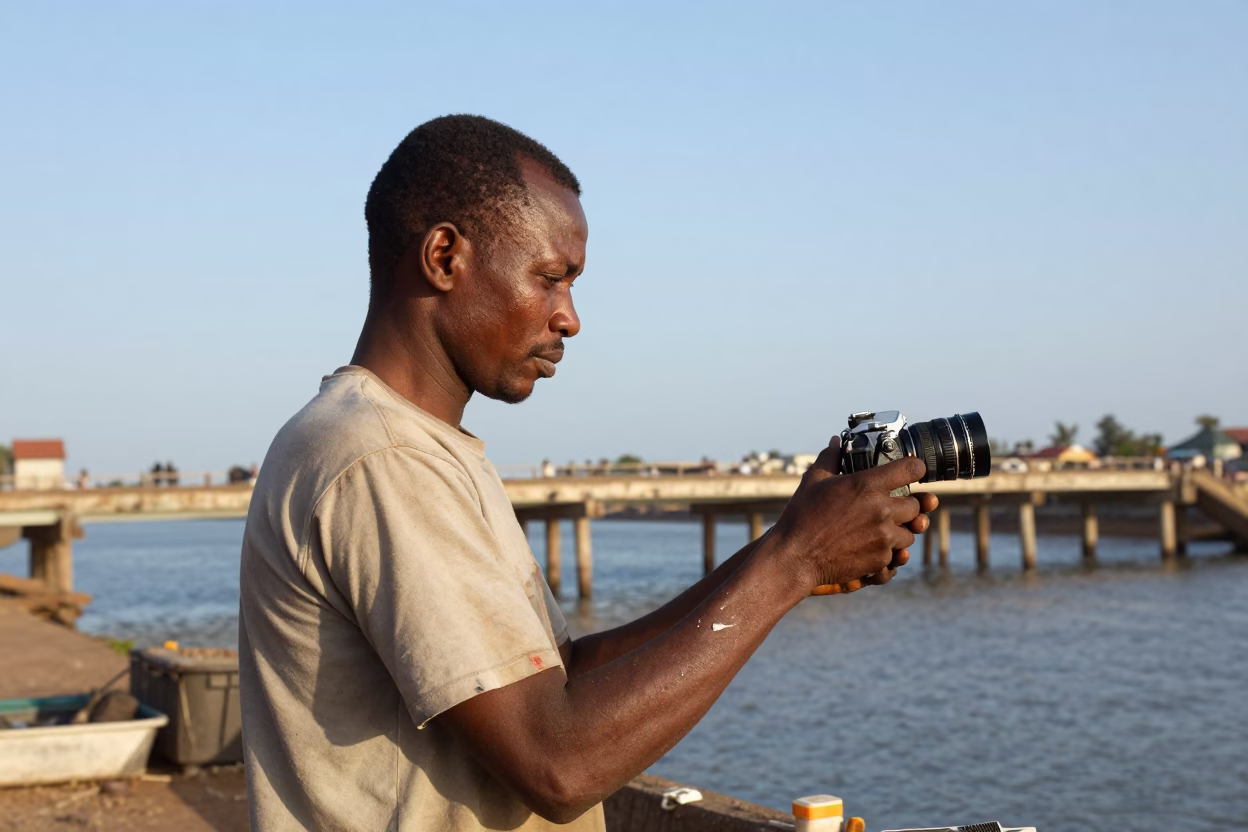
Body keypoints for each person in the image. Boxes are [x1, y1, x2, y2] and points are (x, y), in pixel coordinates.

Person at [238, 115, 936, 831]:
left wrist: (780, 549)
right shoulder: (382, 460)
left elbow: (558, 678)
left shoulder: (417, 447)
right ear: (445, 256)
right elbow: (558, 764)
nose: (569, 318)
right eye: (550, 279)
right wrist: (794, 563)